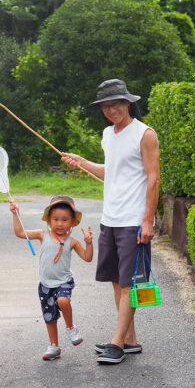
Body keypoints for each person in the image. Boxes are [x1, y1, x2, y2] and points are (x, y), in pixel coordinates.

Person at [62, 79, 160, 365]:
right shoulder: (108, 134)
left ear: (127, 103)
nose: (110, 109)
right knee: (117, 280)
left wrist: (147, 221)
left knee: (129, 282)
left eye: (115, 103)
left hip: (133, 220)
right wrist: (82, 162)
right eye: (105, 105)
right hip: (111, 218)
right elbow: (110, 171)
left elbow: (153, 179)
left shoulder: (145, 134)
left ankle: (117, 343)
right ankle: (130, 340)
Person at [10, 196, 93, 360]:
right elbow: (20, 233)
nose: (60, 224)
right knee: (50, 316)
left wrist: (89, 243)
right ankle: (54, 346)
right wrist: (15, 213)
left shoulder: (72, 241)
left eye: (65, 220)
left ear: (73, 222)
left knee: (63, 301)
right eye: (55, 219)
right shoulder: (43, 235)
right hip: (45, 284)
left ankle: (70, 328)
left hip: (64, 282)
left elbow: (87, 257)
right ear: (49, 220)